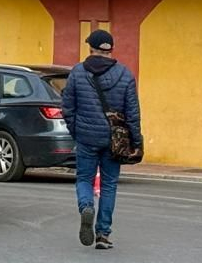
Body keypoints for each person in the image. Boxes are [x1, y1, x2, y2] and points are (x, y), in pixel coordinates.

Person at [59, 29, 142, 250]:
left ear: (91, 48)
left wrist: (76, 130)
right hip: (114, 140)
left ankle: (86, 206)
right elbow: (133, 113)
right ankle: (103, 234)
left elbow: (67, 107)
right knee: (109, 185)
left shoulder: (77, 73)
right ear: (110, 49)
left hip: (86, 137)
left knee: (84, 179)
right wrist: (136, 141)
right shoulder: (125, 75)